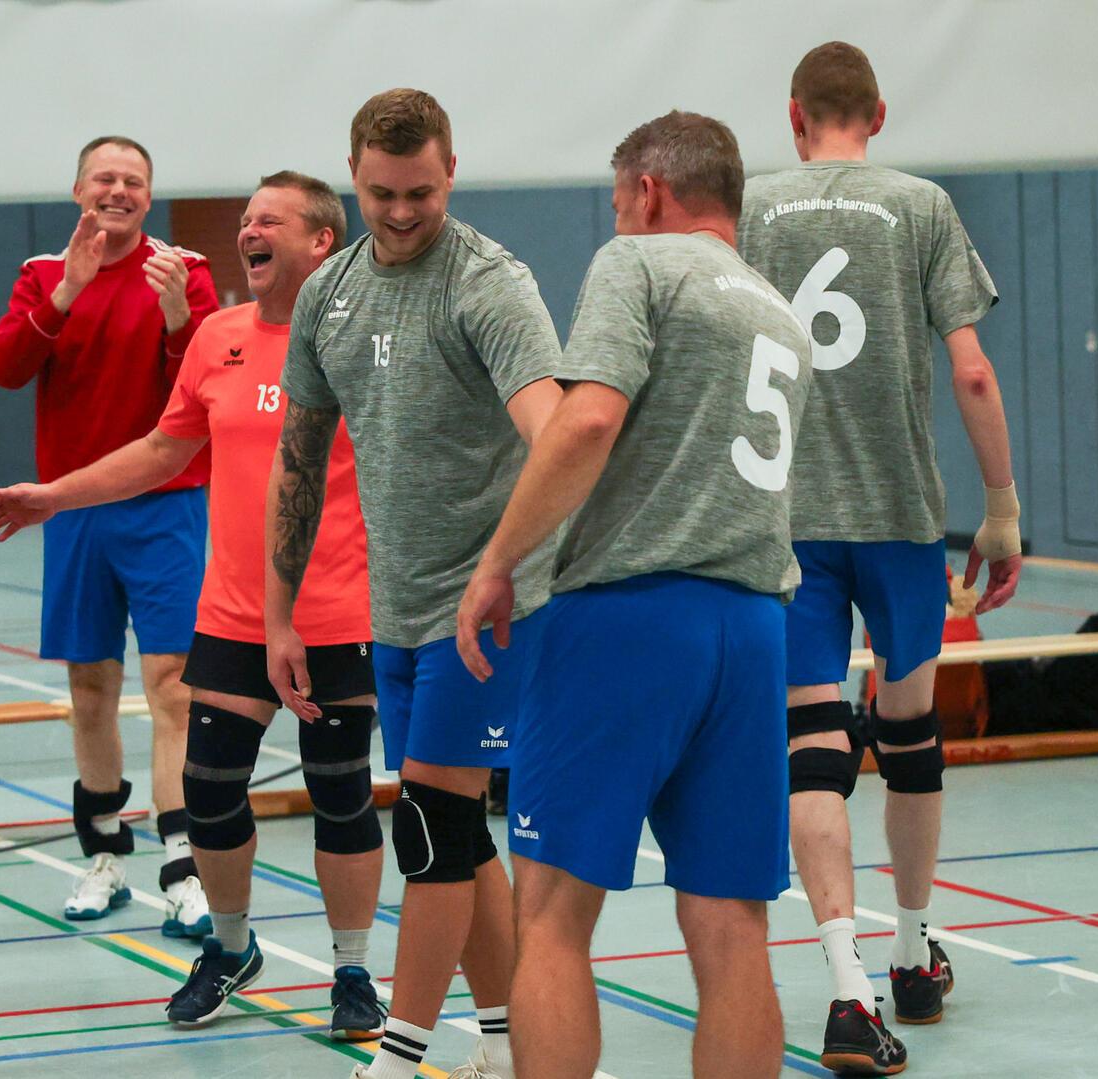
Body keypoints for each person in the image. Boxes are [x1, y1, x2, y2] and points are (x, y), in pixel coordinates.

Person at [456, 109, 814, 1079]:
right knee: (734, 926)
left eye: (620, 201)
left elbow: (585, 421)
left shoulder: (640, 263)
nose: (618, 217)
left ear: (648, 192)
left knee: (552, 916)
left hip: (626, 618)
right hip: (751, 628)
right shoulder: (779, 313)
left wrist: (498, 561)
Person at [0, 172, 388, 1039]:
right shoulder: (219, 336)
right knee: (210, 795)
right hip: (235, 615)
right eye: (246, 219)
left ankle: (352, 968)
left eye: (270, 220)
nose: (250, 230)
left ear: (322, 240)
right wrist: (55, 495)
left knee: (343, 795)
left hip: (337, 614)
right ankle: (230, 948)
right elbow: (166, 447)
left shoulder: (363, 342)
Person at [738, 41, 1020, 1075]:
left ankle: (848, 985)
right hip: (900, 515)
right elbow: (975, 371)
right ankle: (912, 950)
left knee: (813, 734)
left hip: (787, 516)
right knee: (907, 728)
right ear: (880, 114)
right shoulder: (921, 204)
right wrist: (1001, 506)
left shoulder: (754, 208)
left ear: (795, 112)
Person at [270, 88, 563, 1079]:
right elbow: (299, 464)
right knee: (459, 834)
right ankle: (507, 1036)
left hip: (489, 607)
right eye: (384, 193)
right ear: (353, 175)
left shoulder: (490, 284)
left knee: (431, 822)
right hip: (390, 607)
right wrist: (280, 613)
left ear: (452, 171)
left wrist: (508, 564)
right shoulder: (329, 292)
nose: (402, 212)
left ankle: (399, 1056)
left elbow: (553, 431)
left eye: (423, 193)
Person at [0, 135, 221, 930]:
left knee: (173, 687)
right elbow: (6, 367)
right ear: (78, 189)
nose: (117, 191)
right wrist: (64, 296)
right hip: (74, 508)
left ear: (148, 195)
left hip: (166, 506)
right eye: (104, 178)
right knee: (90, 688)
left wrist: (176, 316)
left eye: (133, 181)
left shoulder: (183, 270)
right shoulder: (43, 276)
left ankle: (183, 868)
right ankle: (104, 856)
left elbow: (209, 382)